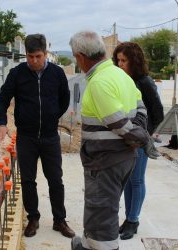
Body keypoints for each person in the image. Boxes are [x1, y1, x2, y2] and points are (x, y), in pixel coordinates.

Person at [69, 31, 160, 250]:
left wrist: (141, 138)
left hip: (104, 161)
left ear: (81, 56)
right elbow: (141, 108)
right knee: (101, 207)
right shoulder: (122, 76)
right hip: (121, 159)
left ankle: (103, 246)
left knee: (102, 212)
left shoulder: (100, 82)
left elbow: (120, 124)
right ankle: (88, 245)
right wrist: (138, 133)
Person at [0, 33, 75, 238]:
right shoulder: (17, 74)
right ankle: (33, 218)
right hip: (26, 137)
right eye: (30, 56)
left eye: (38, 56)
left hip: (50, 137)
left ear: (45, 54)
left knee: (55, 179)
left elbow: (64, 99)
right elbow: (2, 99)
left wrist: (52, 116)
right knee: (28, 180)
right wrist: (1, 123)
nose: (34, 61)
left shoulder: (57, 73)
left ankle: (59, 220)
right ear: (26, 55)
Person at [112, 42, 164, 240]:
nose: (120, 64)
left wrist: (146, 135)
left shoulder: (144, 82)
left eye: (124, 60)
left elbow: (158, 113)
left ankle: (133, 220)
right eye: (118, 60)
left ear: (134, 61)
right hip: (126, 138)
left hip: (140, 139)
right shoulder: (121, 80)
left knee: (136, 180)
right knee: (126, 181)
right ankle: (128, 219)